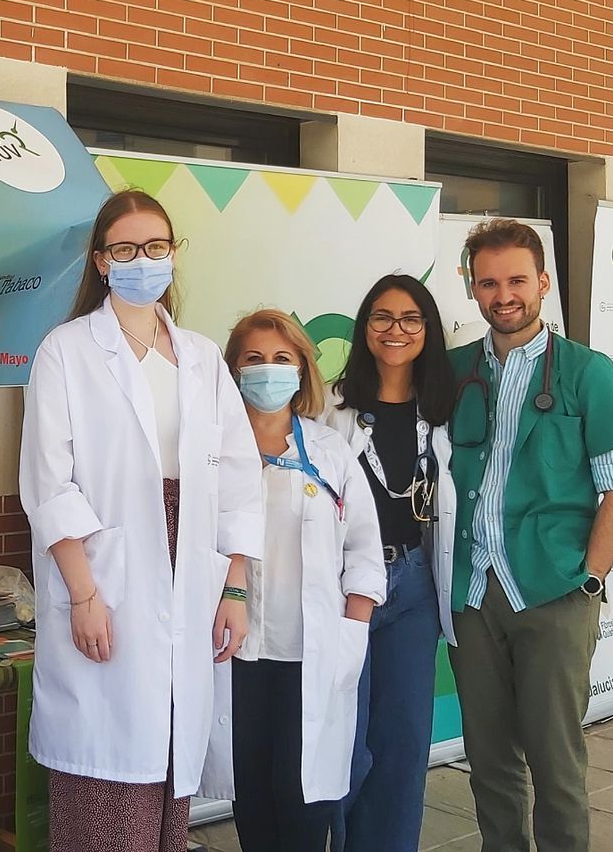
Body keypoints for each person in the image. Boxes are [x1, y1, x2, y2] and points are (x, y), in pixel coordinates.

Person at [19, 189, 262, 852]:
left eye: (156, 246)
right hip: (103, 575)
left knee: (168, 773)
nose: (142, 260)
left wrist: (234, 586)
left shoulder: (203, 358)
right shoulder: (65, 351)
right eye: (124, 249)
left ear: (173, 254)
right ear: (101, 261)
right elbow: (49, 483)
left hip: (192, 571)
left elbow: (239, 481)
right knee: (106, 778)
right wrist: (84, 593)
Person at [446, 218, 613, 852]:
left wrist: (588, 580)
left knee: (556, 764)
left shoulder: (589, 372)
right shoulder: (450, 372)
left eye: (516, 280)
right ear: (471, 287)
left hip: (554, 592)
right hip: (473, 597)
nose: (503, 294)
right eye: (488, 282)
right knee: (489, 761)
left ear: (543, 283)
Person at [221, 309, 385, 852]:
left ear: (301, 370)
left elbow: (363, 547)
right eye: (254, 359)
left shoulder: (330, 451)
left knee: (302, 800)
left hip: (311, 653)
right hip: (236, 653)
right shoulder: (212, 451)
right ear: (233, 370)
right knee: (251, 795)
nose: (268, 370)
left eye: (281, 359)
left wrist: (352, 626)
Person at [326, 275, 458, 852]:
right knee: (346, 748)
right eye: (382, 317)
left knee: (404, 742)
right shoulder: (331, 410)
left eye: (411, 319)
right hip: (346, 589)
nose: (396, 330)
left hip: (414, 587)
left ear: (428, 330)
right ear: (364, 329)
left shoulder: (447, 412)